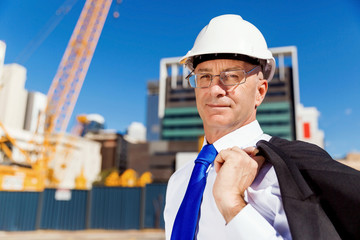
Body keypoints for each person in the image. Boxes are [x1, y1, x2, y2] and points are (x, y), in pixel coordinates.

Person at [164, 14, 360, 240]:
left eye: (231, 76)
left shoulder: (288, 172)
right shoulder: (179, 181)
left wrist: (233, 204)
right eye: (204, 76)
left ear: (260, 91)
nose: (215, 89)